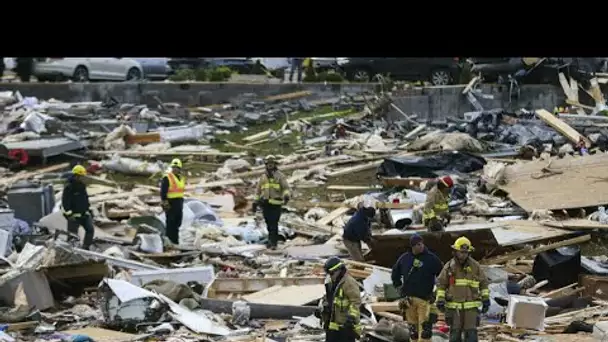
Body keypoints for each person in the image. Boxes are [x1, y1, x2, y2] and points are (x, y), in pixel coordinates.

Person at [435, 236, 489, 342]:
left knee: (471, 335)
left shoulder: (475, 266)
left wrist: (486, 299)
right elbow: (441, 284)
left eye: (466, 252)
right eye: (461, 252)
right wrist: (440, 299)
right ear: (455, 251)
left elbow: (483, 283)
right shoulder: (449, 267)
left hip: (471, 308)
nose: (463, 255)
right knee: (455, 335)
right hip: (455, 309)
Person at [391, 234, 443, 342]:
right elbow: (395, 273)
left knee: (425, 332)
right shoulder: (404, 258)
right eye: (418, 245)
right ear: (412, 247)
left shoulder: (431, 259)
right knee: (413, 333)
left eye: (421, 243)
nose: (421, 246)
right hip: (408, 300)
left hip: (424, 300)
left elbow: (442, 276)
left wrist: (436, 293)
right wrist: (398, 286)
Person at [315, 256, 361, 342]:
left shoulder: (349, 282)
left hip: (345, 325)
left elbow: (356, 301)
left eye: (331, 273)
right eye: (328, 273)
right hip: (332, 323)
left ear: (339, 270)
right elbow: (329, 298)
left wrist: (351, 317)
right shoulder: (331, 282)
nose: (330, 276)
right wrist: (321, 310)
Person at [252, 155, 290, 249]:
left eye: (272, 163)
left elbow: (285, 188)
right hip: (265, 204)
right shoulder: (263, 177)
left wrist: (286, 196)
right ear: (266, 164)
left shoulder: (280, 176)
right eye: (268, 163)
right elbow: (258, 190)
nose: (270, 165)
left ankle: (274, 243)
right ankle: (270, 241)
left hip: (276, 204)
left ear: (275, 164)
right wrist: (255, 202)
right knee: (268, 224)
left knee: (274, 224)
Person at [61, 165, 94, 250]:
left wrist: (88, 210)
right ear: (76, 176)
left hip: (84, 214)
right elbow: (65, 203)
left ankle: (86, 248)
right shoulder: (69, 187)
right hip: (74, 217)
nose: (83, 178)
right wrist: (69, 215)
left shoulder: (82, 186)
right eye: (81, 176)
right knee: (72, 236)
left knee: (90, 230)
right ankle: (71, 251)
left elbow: (85, 199)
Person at [160, 158, 185, 245]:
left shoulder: (181, 178)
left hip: (179, 202)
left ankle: (175, 241)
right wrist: (164, 202)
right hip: (170, 203)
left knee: (178, 223)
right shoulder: (167, 177)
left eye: (177, 167)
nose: (175, 169)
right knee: (170, 223)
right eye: (174, 167)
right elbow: (163, 191)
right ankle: (169, 242)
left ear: (180, 169)